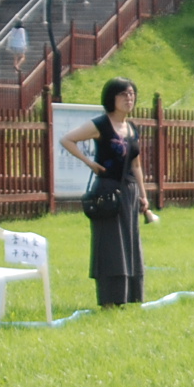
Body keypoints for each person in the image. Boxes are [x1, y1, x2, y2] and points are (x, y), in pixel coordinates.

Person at [61, 78, 151, 308]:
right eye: (123, 94)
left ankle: (130, 297)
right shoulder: (101, 124)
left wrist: (143, 195)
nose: (128, 98)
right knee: (111, 245)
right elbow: (67, 139)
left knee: (130, 244)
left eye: (131, 94)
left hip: (129, 193)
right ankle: (110, 299)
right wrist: (89, 163)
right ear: (112, 98)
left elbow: (136, 165)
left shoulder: (132, 128)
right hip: (108, 192)